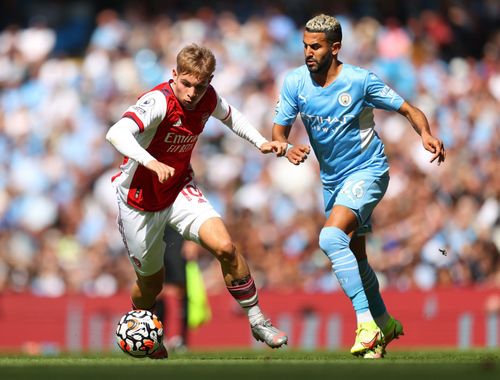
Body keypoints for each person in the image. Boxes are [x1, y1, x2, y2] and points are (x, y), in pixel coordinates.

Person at [272, 14, 445, 359]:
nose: (308, 52)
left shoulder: (360, 81)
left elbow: (409, 109)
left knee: (330, 237)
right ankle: (385, 321)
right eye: (305, 45)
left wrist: (425, 133)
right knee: (356, 255)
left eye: (315, 46)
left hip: (369, 171)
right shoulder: (295, 83)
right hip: (333, 180)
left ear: (335, 48)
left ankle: (365, 325)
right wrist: (285, 146)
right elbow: (279, 132)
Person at [106, 43, 289, 359]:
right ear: (174, 75)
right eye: (186, 83)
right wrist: (151, 162)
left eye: (200, 86)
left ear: (209, 81)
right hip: (139, 201)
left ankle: (258, 320)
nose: (192, 92)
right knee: (152, 285)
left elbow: (232, 116)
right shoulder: (157, 102)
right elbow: (116, 133)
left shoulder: (208, 98)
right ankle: (142, 327)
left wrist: (261, 142)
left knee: (225, 247)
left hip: (179, 190)